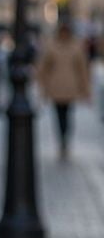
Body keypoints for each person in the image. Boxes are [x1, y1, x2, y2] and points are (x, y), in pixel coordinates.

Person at [37, 21, 91, 157]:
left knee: (67, 115)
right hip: (56, 87)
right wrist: (43, 84)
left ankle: (64, 139)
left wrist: (86, 89)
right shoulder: (52, 46)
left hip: (70, 87)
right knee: (59, 115)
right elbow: (43, 67)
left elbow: (82, 69)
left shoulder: (76, 47)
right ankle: (62, 140)